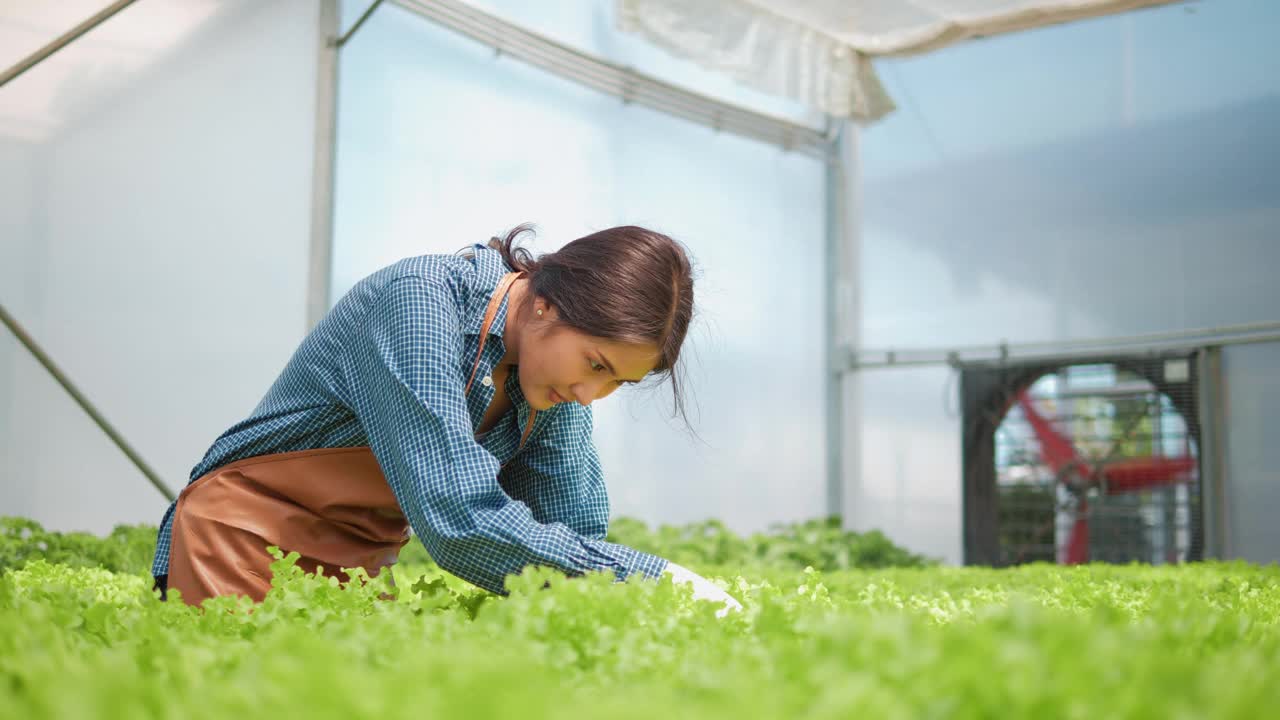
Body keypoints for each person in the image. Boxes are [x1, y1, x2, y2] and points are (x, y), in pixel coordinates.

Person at [150, 224, 740, 615]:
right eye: (595, 364)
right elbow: (460, 522)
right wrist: (658, 582)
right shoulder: (418, 303)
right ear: (544, 304)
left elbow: (571, 531)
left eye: (617, 381)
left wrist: (619, 612)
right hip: (240, 544)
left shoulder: (549, 383)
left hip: (357, 570)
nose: (591, 394)